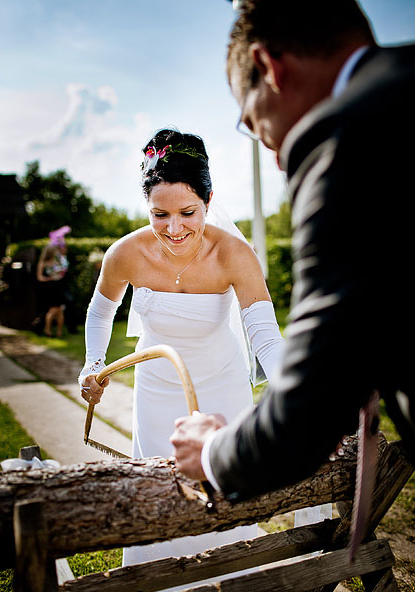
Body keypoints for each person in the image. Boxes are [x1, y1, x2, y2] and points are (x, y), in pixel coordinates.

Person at [170, 0, 415, 509]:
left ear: (268, 67)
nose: (276, 154)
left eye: (252, 120)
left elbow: (315, 404)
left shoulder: (342, 139)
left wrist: (213, 451)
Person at [78, 127, 284, 592]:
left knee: (222, 490)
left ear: (209, 201)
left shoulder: (235, 254)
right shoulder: (125, 253)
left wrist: (298, 394)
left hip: (223, 386)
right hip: (156, 388)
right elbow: (99, 311)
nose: (173, 229)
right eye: (159, 215)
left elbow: (266, 337)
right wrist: (93, 364)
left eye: (187, 213)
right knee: (161, 491)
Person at [35, 226, 71, 337]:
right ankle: (48, 329)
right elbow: (40, 277)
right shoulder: (43, 263)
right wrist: (50, 278)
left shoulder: (58, 261)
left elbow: (64, 269)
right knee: (54, 309)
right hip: (50, 287)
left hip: (58, 286)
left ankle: (58, 331)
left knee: (59, 310)